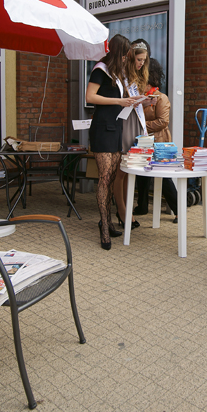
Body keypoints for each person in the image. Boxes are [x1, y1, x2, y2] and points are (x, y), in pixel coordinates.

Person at [85, 34, 138, 250]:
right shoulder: (100, 70)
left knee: (112, 177)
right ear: (118, 53)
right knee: (105, 178)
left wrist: (134, 101)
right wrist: (119, 100)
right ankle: (105, 227)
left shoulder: (117, 73)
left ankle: (106, 220)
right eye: (125, 55)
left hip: (116, 128)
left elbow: (118, 102)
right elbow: (90, 97)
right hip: (102, 129)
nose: (126, 59)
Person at [113, 39, 151, 229]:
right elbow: (118, 102)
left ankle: (127, 210)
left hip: (136, 122)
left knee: (131, 171)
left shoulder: (137, 76)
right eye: (139, 59)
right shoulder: (121, 76)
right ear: (130, 58)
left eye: (144, 60)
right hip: (124, 123)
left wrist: (146, 101)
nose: (141, 63)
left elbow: (135, 102)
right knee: (121, 170)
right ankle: (121, 211)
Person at [135, 58, 179, 223]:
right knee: (141, 175)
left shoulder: (161, 98)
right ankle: (142, 206)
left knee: (164, 177)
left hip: (160, 143)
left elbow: (163, 122)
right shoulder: (142, 97)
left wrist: (141, 125)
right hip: (143, 141)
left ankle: (179, 211)